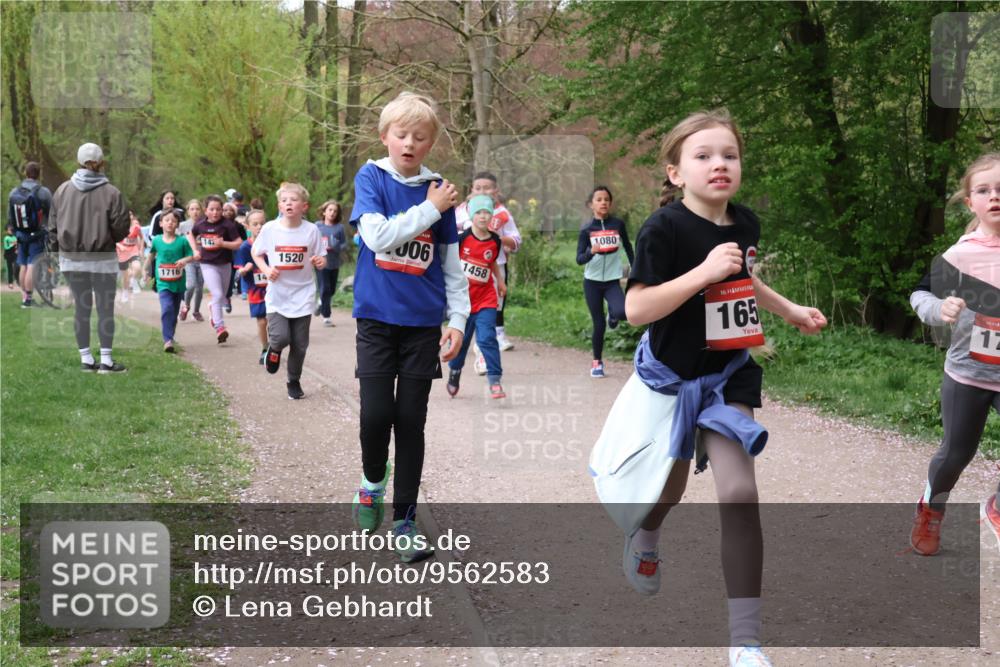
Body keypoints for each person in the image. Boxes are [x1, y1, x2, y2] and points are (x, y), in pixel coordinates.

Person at [591, 111, 827, 667]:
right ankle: (645, 538)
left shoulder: (743, 224)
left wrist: (789, 309)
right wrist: (701, 272)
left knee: (739, 493)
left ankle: (745, 643)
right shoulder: (663, 229)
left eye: (729, 154)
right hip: (672, 379)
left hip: (728, 375)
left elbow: (743, 277)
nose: (719, 163)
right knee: (666, 490)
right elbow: (634, 309)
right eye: (703, 156)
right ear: (676, 172)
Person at [349, 91, 467, 563]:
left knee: (411, 422)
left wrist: (457, 320)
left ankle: (405, 521)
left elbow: (452, 265)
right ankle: (372, 481)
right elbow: (377, 236)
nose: (409, 143)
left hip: (422, 324)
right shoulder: (372, 177)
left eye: (420, 137)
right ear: (385, 137)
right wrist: (430, 208)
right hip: (377, 319)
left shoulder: (439, 189)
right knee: (376, 416)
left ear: (430, 143)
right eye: (401, 135)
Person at [909, 152, 1000, 557]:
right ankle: (931, 510)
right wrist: (938, 311)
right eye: (984, 190)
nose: (994, 197)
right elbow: (920, 293)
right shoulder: (959, 255)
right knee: (955, 454)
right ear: (971, 203)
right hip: (968, 373)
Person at [48, 142, 130, 372]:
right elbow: (122, 227)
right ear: (101, 163)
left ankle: (86, 359)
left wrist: (56, 252)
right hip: (102, 258)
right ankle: (106, 360)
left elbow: (52, 227)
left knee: (81, 309)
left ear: (78, 162)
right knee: (105, 309)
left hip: (71, 259)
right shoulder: (112, 193)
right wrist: (107, 236)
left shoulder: (62, 191)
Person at [251, 182, 324, 398]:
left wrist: (320, 262)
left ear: (304, 206)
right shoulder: (270, 229)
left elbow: (321, 257)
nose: (288, 203)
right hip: (278, 294)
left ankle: (293, 381)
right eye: (284, 201)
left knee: (300, 345)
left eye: (293, 200)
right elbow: (257, 253)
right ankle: (273, 350)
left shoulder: (311, 230)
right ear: (279, 206)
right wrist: (266, 269)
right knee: (282, 338)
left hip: (303, 293)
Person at [446, 194, 506, 399]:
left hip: (486, 298)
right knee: (460, 342)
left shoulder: (495, 241)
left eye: (487, 212)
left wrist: (501, 281)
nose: (483, 216)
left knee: (488, 337)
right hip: (463, 301)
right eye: (479, 212)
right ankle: (455, 371)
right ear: (471, 215)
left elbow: (493, 264)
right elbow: (450, 264)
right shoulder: (462, 238)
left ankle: (495, 380)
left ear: (491, 216)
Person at [455, 171, 521, 355]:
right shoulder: (462, 210)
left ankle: (489, 339)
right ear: (471, 190)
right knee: (464, 302)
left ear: (496, 191)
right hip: (465, 266)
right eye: (478, 188)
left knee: (493, 304)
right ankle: (461, 335)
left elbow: (516, 241)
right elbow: (450, 230)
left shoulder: (502, 213)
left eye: (487, 188)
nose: (482, 191)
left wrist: (497, 239)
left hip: (494, 265)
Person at [576, 186, 635, 378]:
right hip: (592, 282)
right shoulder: (586, 229)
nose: (603, 203)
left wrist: (637, 267)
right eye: (599, 199)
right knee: (598, 324)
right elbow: (579, 259)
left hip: (611, 281)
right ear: (591, 205)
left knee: (622, 312)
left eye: (606, 199)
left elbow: (627, 246)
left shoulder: (618, 224)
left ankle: (613, 314)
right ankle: (597, 362)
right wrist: (590, 252)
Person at [187, 195, 242, 342]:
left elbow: (238, 243)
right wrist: (194, 250)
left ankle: (212, 307)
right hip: (207, 264)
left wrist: (223, 244)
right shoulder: (200, 224)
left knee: (222, 297)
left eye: (218, 209)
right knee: (217, 294)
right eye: (212, 209)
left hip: (225, 263)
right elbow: (190, 235)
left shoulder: (227, 225)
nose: (215, 212)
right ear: (206, 210)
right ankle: (219, 326)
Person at [144, 209, 194, 352]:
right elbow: (151, 256)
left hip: (178, 283)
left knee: (174, 310)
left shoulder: (182, 241)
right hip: (163, 282)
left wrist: (184, 260)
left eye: (173, 220)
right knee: (167, 308)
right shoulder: (157, 240)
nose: (170, 223)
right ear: (161, 223)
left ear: (177, 224)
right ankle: (167, 340)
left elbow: (191, 256)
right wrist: (145, 270)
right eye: (167, 220)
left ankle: (170, 335)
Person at [7, 161, 53, 308]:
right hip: (37, 234)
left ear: (26, 173)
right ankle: (28, 300)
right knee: (32, 265)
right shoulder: (43, 192)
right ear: (38, 174)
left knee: (23, 265)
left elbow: (10, 216)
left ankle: (24, 297)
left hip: (20, 234)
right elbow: (53, 212)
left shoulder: (14, 192)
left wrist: (15, 231)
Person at [235, 209, 270, 364]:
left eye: (262, 223)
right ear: (248, 227)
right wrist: (245, 269)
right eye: (255, 224)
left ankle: (275, 346)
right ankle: (265, 348)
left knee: (276, 320)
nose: (259, 227)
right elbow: (240, 271)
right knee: (262, 321)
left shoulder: (272, 243)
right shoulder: (245, 247)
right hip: (255, 290)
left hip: (273, 288)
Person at [316, 199, 347, 326]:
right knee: (325, 289)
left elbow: (345, 244)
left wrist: (337, 245)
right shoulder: (317, 226)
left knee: (332, 290)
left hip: (334, 263)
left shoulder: (339, 227)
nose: (332, 213)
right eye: (330, 210)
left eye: (335, 211)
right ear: (324, 212)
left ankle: (320, 302)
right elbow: (310, 241)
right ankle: (326, 317)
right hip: (320, 263)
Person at [179, 199, 205, 321]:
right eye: (192, 209)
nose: (195, 212)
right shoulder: (183, 226)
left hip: (204, 260)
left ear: (201, 211)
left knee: (200, 287)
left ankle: (196, 311)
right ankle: (186, 306)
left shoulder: (205, 224)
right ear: (188, 211)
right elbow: (178, 242)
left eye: (197, 209)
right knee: (190, 285)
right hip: (189, 260)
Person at [115, 210, 145, 302]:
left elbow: (142, 237)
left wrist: (141, 249)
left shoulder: (136, 227)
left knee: (137, 267)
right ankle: (125, 291)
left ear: (132, 217)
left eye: (130, 215)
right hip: (122, 252)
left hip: (133, 251)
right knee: (125, 276)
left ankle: (133, 280)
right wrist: (120, 246)